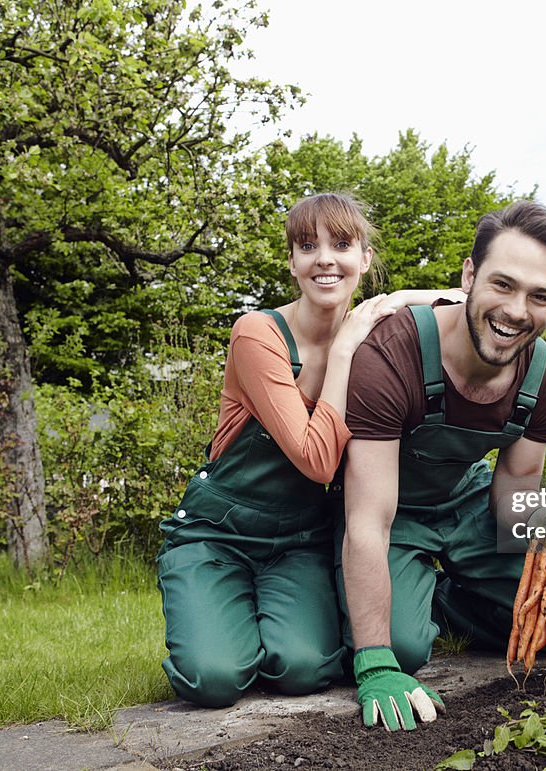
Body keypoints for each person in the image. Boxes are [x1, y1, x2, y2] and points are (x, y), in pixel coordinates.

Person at [157, 193, 461, 708]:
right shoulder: (259, 334)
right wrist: (345, 348)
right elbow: (315, 458)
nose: (324, 257)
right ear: (292, 261)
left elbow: (460, 304)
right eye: (307, 245)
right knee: (213, 679)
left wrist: (404, 296)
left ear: (364, 259)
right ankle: (211, 611)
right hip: (218, 534)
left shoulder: (376, 338)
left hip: (299, 538)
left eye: (341, 244)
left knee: (304, 670)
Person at [339, 200, 546, 730]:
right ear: (469, 274)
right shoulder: (393, 354)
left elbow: (514, 489)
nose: (518, 311)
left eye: (540, 296)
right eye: (503, 284)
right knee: (401, 648)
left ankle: (447, 596)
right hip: (392, 510)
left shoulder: (545, 380)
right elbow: (367, 521)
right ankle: (405, 597)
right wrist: (375, 660)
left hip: (465, 502)